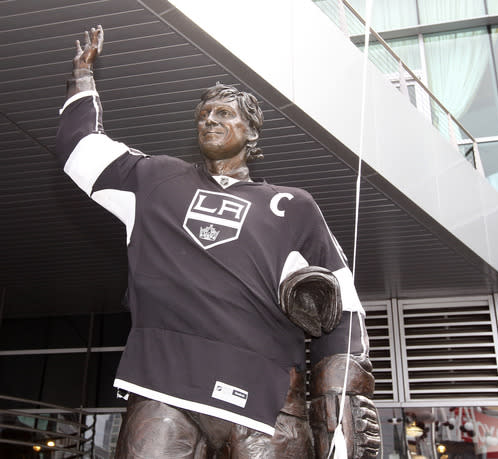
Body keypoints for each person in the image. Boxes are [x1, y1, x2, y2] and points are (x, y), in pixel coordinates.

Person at [55, 25, 380, 458]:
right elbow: (81, 150)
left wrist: (341, 408)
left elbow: (343, 308)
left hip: (267, 403)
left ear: (251, 131)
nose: (210, 119)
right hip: (164, 387)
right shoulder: (154, 179)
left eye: (224, 113)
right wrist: (81, 81)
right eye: (204, 114)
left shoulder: (293, 206)